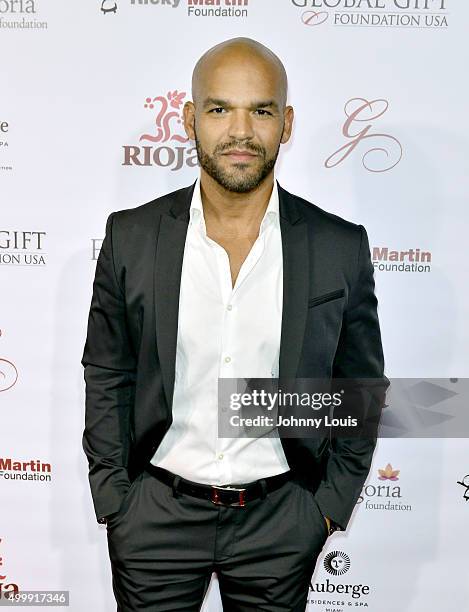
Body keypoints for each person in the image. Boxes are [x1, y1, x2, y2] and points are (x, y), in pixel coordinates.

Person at [81, 37, 389, 612]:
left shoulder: (337, 246)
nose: (241, 132)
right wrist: (116, 502)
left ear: (287, 123)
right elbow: (107, 372)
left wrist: (326, 506)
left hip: (281, 520)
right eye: (221, 109)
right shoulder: (132, 236)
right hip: (155, 517)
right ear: (191, 119)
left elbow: (361, 388)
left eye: (262, 110)